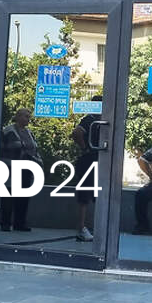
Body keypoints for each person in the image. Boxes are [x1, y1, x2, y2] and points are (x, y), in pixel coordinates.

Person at [0, 108, 42, 232]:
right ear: (17, 117)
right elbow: (1, 149)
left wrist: (38, 161)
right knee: (8, 195)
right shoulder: (8, 131)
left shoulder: (29, 132)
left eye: (29, 117)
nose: (28, 119)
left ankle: (20, 223)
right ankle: (5, 223)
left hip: (27, 168)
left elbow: (34, 149)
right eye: (25, 116)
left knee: (23, 196)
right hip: (11, 167)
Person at [69, 96, 102, 242]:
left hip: (96, 159)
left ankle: (94, 226)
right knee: (85, 193)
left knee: (94, 193)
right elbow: (76, 133)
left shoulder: (99, 121)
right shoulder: (90, 120)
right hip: (89, 160)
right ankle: (82, 228)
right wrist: (86, 148)